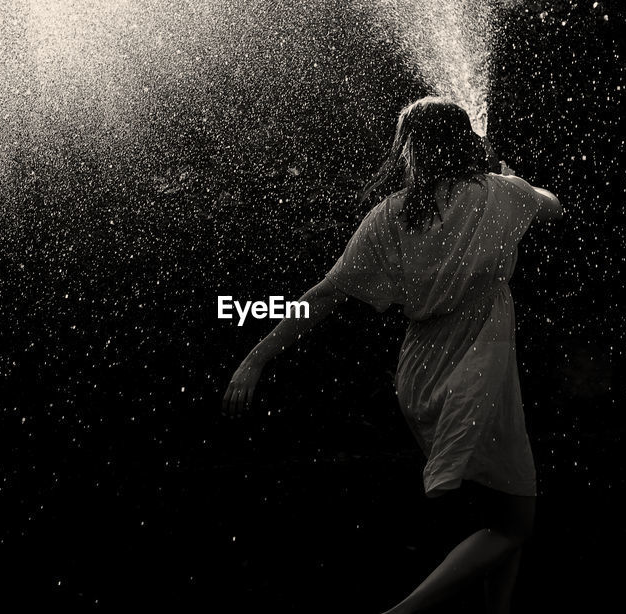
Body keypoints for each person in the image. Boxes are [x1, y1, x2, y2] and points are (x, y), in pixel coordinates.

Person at [223, 96, 562, 613]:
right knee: (516, 520)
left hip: (423, 373)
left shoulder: (390, 215)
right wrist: (516, 179)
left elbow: (323, 296)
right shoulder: (502, 195)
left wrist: (256, 357)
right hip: (477, 363)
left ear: (412, 150)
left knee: (500, 512)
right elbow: (555, 206)